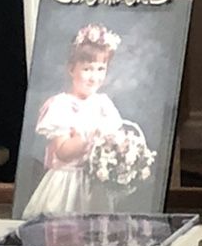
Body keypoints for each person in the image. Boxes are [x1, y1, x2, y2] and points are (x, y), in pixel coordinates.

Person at [21, 22, 126, 217]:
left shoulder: (104, 104)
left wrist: (121, 150)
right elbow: (63, 153)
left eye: (100, 69)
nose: (94, 77)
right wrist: (86, 141)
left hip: (96, 187)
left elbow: (117, 140)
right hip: (68, 185)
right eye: (87, 69)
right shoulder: (60, 106)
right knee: (65, 231)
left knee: (96, 231)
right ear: (71, 69)